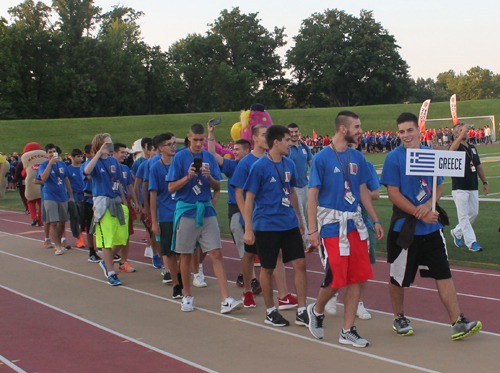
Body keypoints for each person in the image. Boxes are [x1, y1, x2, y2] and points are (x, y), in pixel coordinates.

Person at [380, 112, 481, 341]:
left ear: (419, 131)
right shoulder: (393, 158)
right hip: (405, 229)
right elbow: (393, 195)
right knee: (398, 277)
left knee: (443, 274)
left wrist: (427, 206)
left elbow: (438, 186)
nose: (406, 135)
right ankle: (399, 317)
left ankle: (457, 321)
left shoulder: (430, 154)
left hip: (431, 228)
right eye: (402, 131)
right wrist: (419, 213)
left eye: (410, 130)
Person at [306, 111, 383, 347]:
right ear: (343, 129)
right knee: (337, 276)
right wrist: (312, 230)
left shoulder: (357, 157)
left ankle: (347, 329)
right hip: (331, 224)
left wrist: (376, 219)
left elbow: (361, 191)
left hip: (355, 223)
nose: (361, 131)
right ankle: (317, 310)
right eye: (357, 127)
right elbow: (313, 195)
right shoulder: (321, 158)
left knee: (357, 277)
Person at [167, 123, 243, 314]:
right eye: (196, 140)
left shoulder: (209, 157)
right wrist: (188, 177)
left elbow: (217, 186)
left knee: (216, 253)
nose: (199, 144)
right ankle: (187, 296)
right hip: (187, 211)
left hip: (206, 211)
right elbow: (170, 188)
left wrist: (208, 178)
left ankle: (226, 298)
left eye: (202, 140)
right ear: (188, 138)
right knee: (185, 255)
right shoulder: (180, 157)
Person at [243, 125, 308, 327]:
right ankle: (271, 311)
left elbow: (293, 192)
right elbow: (249, 198)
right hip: (267, 225)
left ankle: (302, 310)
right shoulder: (259, 167)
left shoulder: (289, 164)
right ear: (276, 142)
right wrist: (248, 228)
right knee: (268, 268)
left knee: (300, 264)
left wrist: (299, 218)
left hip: (288, 222)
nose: (291, 143)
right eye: (287, 140)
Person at [231, 124, 298, 310]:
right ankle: (247, 290)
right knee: (249, 255)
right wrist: (247, 219)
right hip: (252, 216)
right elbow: (239, 193)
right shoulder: (247, 162)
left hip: (272, 219)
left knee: (276, 255)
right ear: (255, 138)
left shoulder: (279, 161)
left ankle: (283, 295)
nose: (265, 137)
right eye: (262, 135)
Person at [325, 141, 380, 320]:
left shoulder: (364, 163)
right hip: (339, 224)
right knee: (336, 265)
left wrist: (357, 194)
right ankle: (331, 297)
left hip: (361, 223)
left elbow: (375, 193)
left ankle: (359, 303)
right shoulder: (330, 161)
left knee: (362, 267)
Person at [206, 122, 262, 296]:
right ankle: (251, 280)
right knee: (242, 241)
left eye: (238, 149)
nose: (234, 152)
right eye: (234, 149)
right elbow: (213, 154)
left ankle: (242, 274)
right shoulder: (233, 166)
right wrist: (211, 134)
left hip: (256, 209)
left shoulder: (257, 164)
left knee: (256, 247)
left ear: (247, 151)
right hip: (236, 210)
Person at [84, 133, 129, 286]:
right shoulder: (94, 161)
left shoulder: (113, 161)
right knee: (107, 239)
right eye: (106, 144)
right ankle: (111, 272)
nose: (109, 146)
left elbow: (118, 183)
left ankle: (106, 261)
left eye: (110, 143)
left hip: (116, 201)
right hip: (103, 202)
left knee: (122, 237)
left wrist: (124, 203)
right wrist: (98, 153)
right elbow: (87, 171)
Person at [149, 133, 183, 298]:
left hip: (182, 212)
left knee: (184, 250)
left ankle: (182, 277)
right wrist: (154, 221)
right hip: (166, 215)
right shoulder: (155, 167)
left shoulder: (179, 164)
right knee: (170, 252)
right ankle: (176, 283)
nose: (173, 146)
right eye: (169, 144)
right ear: (161, 148)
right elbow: (153, 195)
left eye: (174, 143)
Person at [449, 123, 489, 252]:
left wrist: (485, 182)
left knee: (473, 213)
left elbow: (478, 165)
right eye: (461, 131)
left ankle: (457, 232)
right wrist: (460, 136)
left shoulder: (472, 147)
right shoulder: (456, 146)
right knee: (463, 216)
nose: (465, 132)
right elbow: (450, 152)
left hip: (472, 185)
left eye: (465, 131)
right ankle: (472, 243)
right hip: (459, 186)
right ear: (456, 134)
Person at [36, 144, 75, 255]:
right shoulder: (43, 165)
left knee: (62, 222)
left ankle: (59, 241)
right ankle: (57, 246)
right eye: (50, 152)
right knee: (53, 222)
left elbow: (66, 180)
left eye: (54, 151)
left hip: (62, 196)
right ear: (46, 154)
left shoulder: (62, 165)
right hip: (49, 197)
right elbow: (43, 177)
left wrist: (71, 196)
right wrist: (50, 164)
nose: (52, 153)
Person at [112, 142, 141, 271]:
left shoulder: (125, 169)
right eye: (122, 152)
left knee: (126, 235)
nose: (125, 155)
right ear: (114, 153)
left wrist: (136, 202)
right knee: (114, 235)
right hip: (112, 205)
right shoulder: (108, 167)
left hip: (125, 205)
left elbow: (130, 186)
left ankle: (123, 262)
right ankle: (109, 259)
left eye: (125, 152)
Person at [287, 123, 313, 252]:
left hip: (305, 185)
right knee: (300, 215)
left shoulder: (304, 147)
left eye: (295, 131)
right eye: (291, 132)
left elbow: (311, 165)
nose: (293, 134)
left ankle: (296, 239)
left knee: (303, 213)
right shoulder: (286, 149)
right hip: (293, 187)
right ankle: (308, 243)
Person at [67, 148, 86, 248]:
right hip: (74, 196)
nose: (80, 158)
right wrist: (70, 196)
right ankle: (79, 238)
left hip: (84, 195)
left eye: (81, 156)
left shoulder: (84, 167)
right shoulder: (69, 169)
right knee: (76, 217)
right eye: (78, 157)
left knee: (84, 218)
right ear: (73, 157)